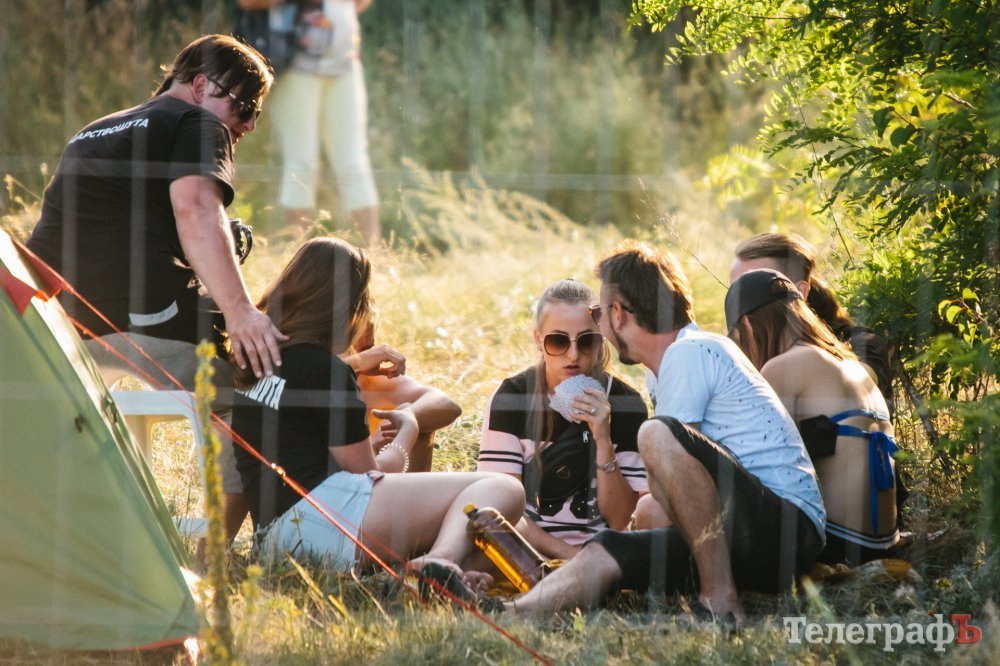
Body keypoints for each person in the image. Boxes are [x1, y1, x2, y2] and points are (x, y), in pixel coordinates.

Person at [26, 34, 286, 538]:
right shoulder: (198, 122)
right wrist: (239, 312)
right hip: (144, 321)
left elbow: (73, 238)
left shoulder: (92, 131)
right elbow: (196, 209)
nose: (249, 124)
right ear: (202, 85)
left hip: (63, 331)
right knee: (262, 389)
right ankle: (223, 549)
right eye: (245, 106)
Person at [506, 242, 826, 624]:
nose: (599, 326)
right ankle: (507, 612)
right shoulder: (663, 368)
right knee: (609, 546)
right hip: (743, 533)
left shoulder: (690, 352)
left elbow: (671, 461)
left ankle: (719, 602)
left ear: (619, 314)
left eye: (597, 313)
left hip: (786, 530)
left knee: (655, 434)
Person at [230, 237, 523, 589]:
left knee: (482, 537)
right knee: (502, 488)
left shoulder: (256, 358)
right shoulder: (325, 370)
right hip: (324, 521)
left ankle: (414, 579)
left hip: (272, 539)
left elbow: (299, 452)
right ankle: (440, 560)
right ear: (349, 306)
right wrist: (407, 432)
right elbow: (372, 475)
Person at [725, 269, 899, 565]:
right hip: (882, 543)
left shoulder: (784, 366)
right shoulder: (849, 363)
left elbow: (743, 456)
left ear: (747, 326)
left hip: (840, 544)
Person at [477, 280, 649, 560]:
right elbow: (502, 509)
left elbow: (618, 520)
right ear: (538, 339)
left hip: (603, 554)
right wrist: (571, 557)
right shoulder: (513, 397)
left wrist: (603, 439)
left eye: (587, 341)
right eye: (557, 341)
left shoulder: (626, 403)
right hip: (526, 550)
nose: (573, 355)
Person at [238, 0, 381, 245]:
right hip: (294, 66)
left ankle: (376, 253)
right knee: (301, 160)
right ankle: (299, 250)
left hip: (345, 66)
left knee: (354, 160)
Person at [731, 233, 893, 415]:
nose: (740, 305)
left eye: (754, 289)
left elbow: (856, 390)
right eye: (734, 292)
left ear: (799, 291)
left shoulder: (860, 341)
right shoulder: (739, 352)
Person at [342, 315, 462, 472]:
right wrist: (370, 447)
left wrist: (407, 418)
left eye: (368, 350)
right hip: (331, 483)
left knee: (413, 414)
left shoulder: (371, 380)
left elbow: (448, 405)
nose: (366, 359)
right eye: (351, 351)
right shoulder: (315, 380)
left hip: (382, 479)